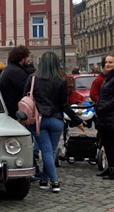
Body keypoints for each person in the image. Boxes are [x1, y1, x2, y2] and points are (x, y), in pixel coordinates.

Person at [24, 51, 83, 193]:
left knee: (46, 151)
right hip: (56, 120)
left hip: (38, 120)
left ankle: (52, 181)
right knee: (50, 151)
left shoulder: (33, 78)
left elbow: (25, 98)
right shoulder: (60, 80)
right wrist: (77, 120)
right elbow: (64, 105)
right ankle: (47, 180)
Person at [0, 45, 33, 119]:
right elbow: (28, 90)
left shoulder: (10, 69)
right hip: (16, 113)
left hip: (11, 111)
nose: (29, 60)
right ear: (22, 58)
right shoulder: (16, 71)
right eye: (27, 57)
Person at [94, 54, 114, 178]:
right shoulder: (108, 78)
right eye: (106, 62)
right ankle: (110, 167)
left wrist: (103, 107)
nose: (108, 64)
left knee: (112, 144)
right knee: (107, 144)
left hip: (111, 117)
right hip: (104, 118)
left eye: (111, 62)